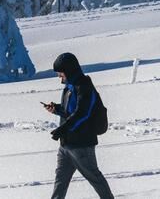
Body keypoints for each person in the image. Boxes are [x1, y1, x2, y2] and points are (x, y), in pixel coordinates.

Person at [41, 52, 114, 199]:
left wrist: (63, 129)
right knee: (60, 181)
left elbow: (82, 113)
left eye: (61, 73)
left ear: (69, 70)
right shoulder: (69, 87)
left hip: (82, 145)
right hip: (66, 145)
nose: (59, 77)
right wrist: (56, 109)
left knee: (95, 178)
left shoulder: (84, 86)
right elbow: (71, 111)